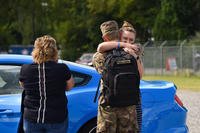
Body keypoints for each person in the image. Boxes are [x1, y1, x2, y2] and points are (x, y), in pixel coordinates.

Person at [95, 21, 144, 133]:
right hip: (122, 103)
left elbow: (140, 76)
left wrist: (135, 56)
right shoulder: (109, 53)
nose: (128, 42)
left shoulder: (133, 55)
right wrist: (126, 46)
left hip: (120, 102)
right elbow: (100, 47)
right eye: (125, 39)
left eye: (131, 40)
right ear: (119, 36)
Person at [19, 35, 74, 133]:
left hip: (32, 118)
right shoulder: (62, 68)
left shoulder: (25, 69)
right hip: (56, 117)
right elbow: (69, 87)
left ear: (35, 50)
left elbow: (23, 86)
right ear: (54, 51)